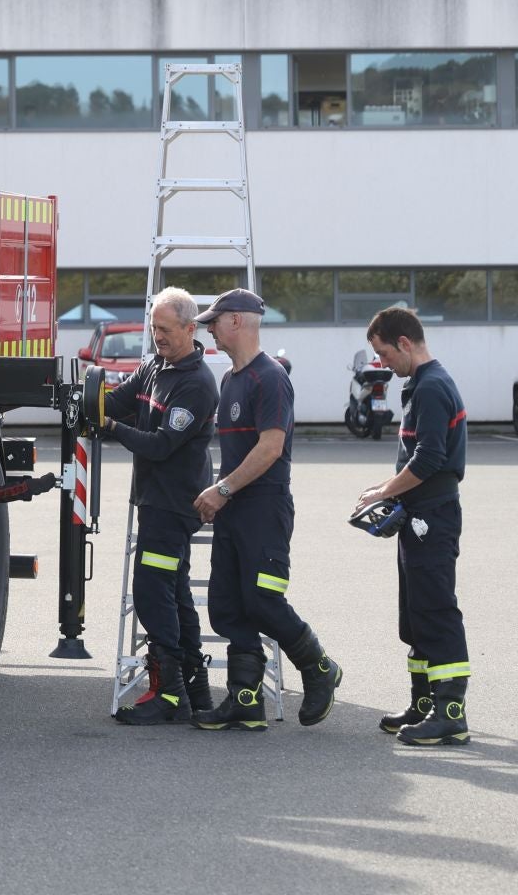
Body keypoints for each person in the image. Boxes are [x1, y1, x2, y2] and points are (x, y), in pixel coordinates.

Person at [189, 288, 342, 730]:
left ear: (237, 321)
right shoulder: (230, 379)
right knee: (226, 605)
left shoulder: (269, 377)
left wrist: (223, 488)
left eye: (214, 321)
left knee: (262, 599)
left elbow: (271, 447)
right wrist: (223, 494)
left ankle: (319, 668)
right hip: (236, 506)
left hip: (264, 508)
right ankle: (245, 699)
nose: (210, 330)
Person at [95, 286, 220, 724]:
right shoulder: (154, 367)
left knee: (151, 591)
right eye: (153, 328)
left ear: (190, 328)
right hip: (156, 501)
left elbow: (162, 444)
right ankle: (195, 691)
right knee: (174, 591)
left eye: (165, 330)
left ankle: (169, 697)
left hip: (173, 506)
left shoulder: (197, 384)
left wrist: (109, 426)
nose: (157, 337)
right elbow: (117, 401)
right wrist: (86, 400)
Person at [357, 307, 471, 747]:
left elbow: (429, 459)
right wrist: (388, 488)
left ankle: (451, 713)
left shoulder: (431, 387)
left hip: (433, 514)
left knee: (436, 608)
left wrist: (385, 492)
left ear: (404, 343)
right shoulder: (419, 384)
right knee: (416, 612)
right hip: (419, 513)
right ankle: (423, 703)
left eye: (384, 353)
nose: (383, 362)